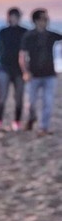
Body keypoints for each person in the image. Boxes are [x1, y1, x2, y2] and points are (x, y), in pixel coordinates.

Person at [19, 8, 62, 136]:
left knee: (48, 102)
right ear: (36, 20)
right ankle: (31, 119)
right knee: (30, 102)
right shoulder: (29, 36)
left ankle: (43, 127)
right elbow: (22, 55)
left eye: (47, 18)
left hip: (49, 74)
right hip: (34, 74)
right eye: (43, 18)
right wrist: (25, 71)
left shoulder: (51, 35)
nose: (46, 20)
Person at [0, 7, 27, 132]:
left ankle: (17, 122)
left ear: (19, 17)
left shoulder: (24, 32)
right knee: (2, 96)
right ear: (8, 17)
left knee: (19, 97)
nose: (13, 18)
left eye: (16, 16)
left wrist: (29, 68)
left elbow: (29, 50)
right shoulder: (3, 32)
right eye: (11, 16)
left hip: (19, 69)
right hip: (3, 67)